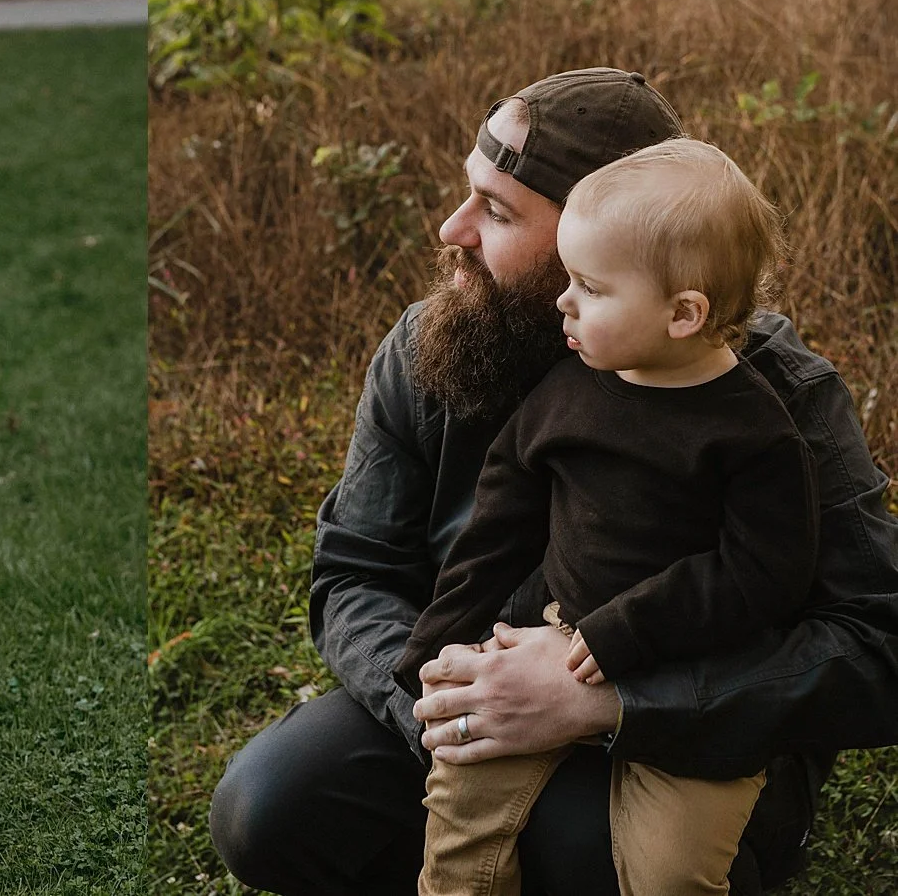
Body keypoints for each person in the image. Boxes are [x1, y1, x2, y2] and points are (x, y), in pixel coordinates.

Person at [208, 67, 898, 895]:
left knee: (579, 846)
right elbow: (356, 568)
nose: (451, 229)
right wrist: (446, 704)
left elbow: (876, 644)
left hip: (680, 738)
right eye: (470, 192)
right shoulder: (438, 343)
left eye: (498, 211)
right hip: (476, 706)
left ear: (612, 241)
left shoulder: (775, 398)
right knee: (269, 806)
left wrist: (612, 703)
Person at [396, 139, 818, 895]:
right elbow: (500, 524)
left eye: (589, 286)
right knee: (460, 823)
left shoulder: (754, 430)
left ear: (683, 312)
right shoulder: (567, 391)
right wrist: (433, 644)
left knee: (670, 874)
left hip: (692, 681)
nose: (564, 300)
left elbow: (764, 572)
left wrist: (627, 631)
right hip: (548, 643)